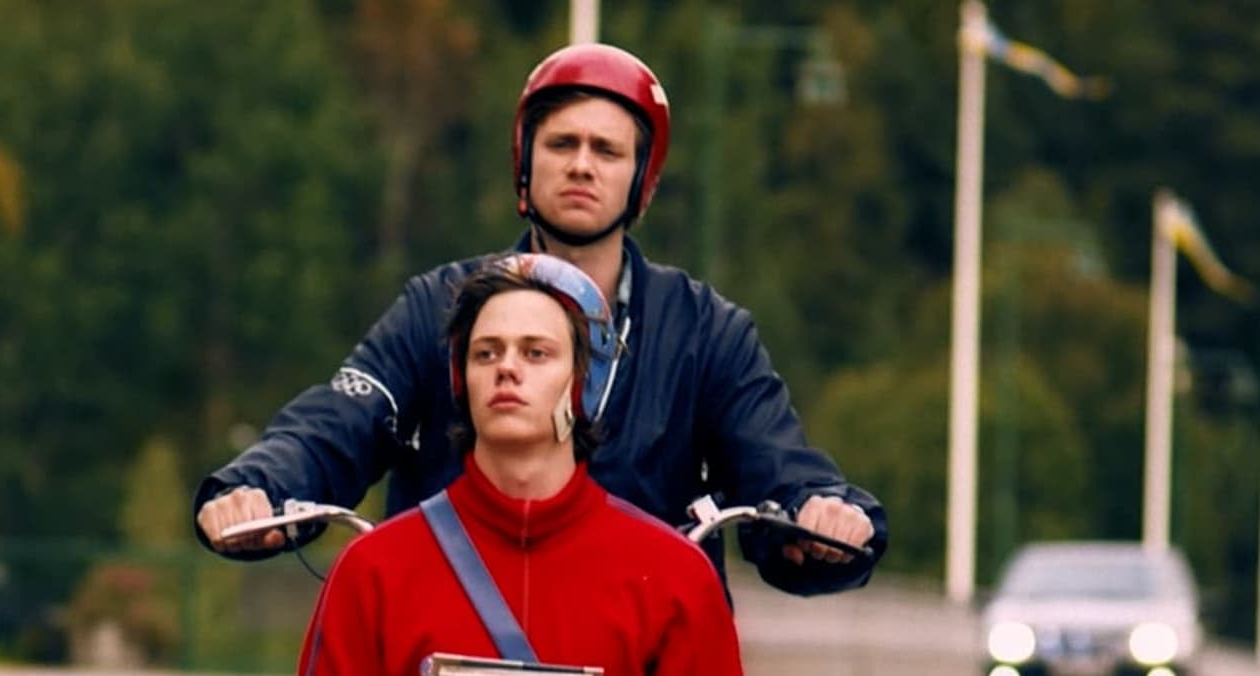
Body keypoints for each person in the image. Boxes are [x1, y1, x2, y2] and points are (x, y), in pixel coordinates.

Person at [195, 42, 886, 597]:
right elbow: (341, 418)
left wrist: (819, 510)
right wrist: (263, 485)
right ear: (524, 160)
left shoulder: (706, 331)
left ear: (642, 178)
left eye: (607, 150)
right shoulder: (439, 306)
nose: (582, 165)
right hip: (450, 625)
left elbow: (775, 460)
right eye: (561, 144)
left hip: (637, 633)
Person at [296, 255, 743, 675]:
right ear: (461, 381)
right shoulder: (372, 572)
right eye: (485, 353)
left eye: (535, 353)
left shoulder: (675, 578)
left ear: (583, 382)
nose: (506, 368)